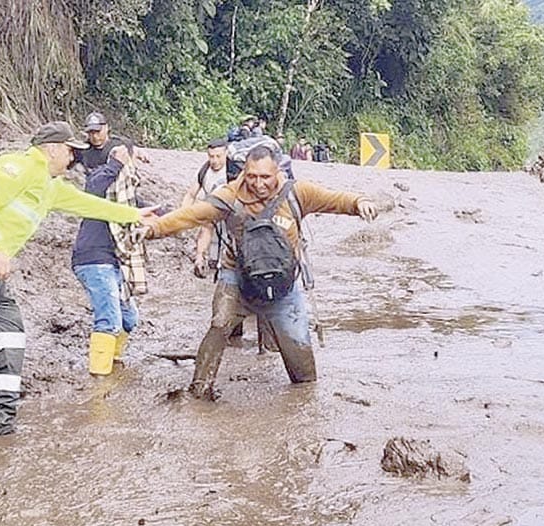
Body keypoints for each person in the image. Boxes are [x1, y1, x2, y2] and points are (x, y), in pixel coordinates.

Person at [0, 121, 156, 460]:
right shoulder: (17, 165)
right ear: (52, 148)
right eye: (70, 151)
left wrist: (132, 214)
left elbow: (89, 204)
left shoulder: (51, 187)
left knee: (9, 340)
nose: (73, 159)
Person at [142, 145, 378, 399]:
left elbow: (334, 200)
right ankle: (199, 390)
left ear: (278, 172)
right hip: (237, 279)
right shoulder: (230, 196)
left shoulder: (297, 193)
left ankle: (303, 402)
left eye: (265, 177)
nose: (258, 183)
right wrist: (154, 228)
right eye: (252, 176)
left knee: (304, 374)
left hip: (284, 286)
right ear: (244, 172)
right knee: (219, 325)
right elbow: (191, 215)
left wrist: (359, 202)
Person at [72, 145, 150, 375]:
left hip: (114, 261)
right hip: (94, 260)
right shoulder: (100, 179)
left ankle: (113, 362)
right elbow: (93, 188)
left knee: (129, 318)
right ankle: (99, 377)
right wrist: (116, 163)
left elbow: (153, 213)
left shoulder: (127, 196)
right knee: (109, 320)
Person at [180, 138, 228, 277]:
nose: (214, 160)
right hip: (211, 208)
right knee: (206, 225)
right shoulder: (204, 170)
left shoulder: (234, 171)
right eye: (211, 156)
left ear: (226, 153)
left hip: (232, 212)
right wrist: (183, 215)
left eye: (218, 156)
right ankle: (200, 258)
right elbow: (190, 194)